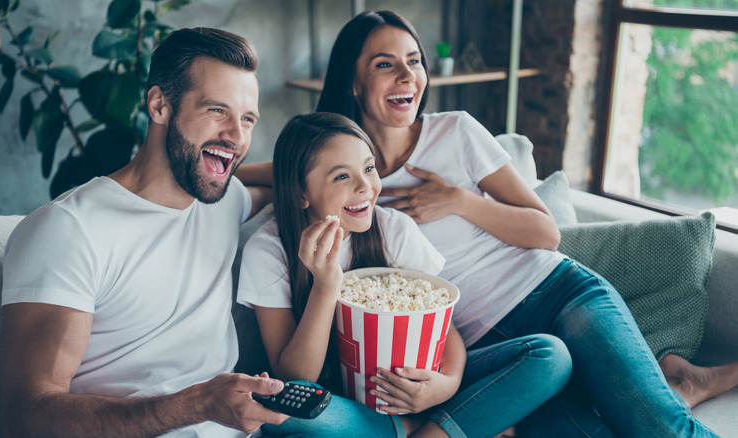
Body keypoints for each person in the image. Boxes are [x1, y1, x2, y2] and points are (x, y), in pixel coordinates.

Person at [311, 9, 732, 437]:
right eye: (385, 63)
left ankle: (671, 388)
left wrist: (457, 201)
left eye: (415, 60)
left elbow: (546, 232)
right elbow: (279, 167)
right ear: (353, 81)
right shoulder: (342, 173)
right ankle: (677, 381)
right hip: (501, 352)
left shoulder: (455, 131)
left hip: (558, 295)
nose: (407, 75)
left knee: (665, 431)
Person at [0, 27, 290, 438]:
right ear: (159, 106)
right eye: (217, 112)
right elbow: (23, 418)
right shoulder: (68, 230)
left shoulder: (223, 200)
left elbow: (299, 174)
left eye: (247, 119)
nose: (238, 137)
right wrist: (197, 404)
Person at [236, 112, 572, 438]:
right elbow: (296, 378)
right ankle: (430, 429)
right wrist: (326, 286)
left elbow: (443, 325)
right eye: (342, 176)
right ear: (300, 192)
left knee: (551, 357)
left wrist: (447, 384)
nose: (365, 186)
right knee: (287, 414)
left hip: (421, 389)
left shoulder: (393, 229)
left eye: (369, 168)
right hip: (340, 403)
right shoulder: (269, 250)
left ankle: (424, 429)